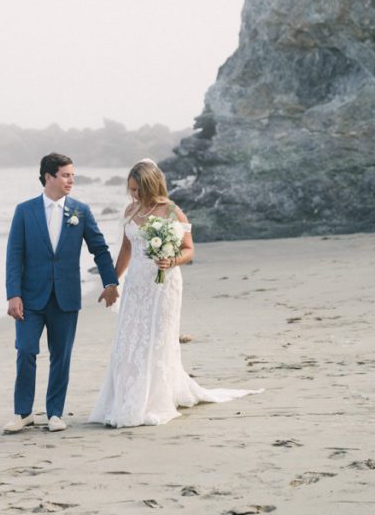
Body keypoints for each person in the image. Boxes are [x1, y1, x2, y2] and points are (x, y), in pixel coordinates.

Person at [88, 159, 261, 427]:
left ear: (151, 185)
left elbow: (189, 248)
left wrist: (171, 261)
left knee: (156, 339)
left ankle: (152, 400)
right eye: (131, 190)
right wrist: (112, 283)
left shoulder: (172, 212)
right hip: (136, 284)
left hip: (163, 284)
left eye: (138, 190)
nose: (134, 195)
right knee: (129, 339)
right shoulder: (131, 210)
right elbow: (126, 249)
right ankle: (124, 397)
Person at [4, 152, 120, 433]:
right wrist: (13, 294)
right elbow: (14, 255)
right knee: (26, 351)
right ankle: (23, 413)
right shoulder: (24, 211)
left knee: (61, 355)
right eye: (66, 175)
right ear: (49, 177)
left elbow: (100, 249)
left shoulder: (80, 211)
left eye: (72, 176)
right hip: (30, 298)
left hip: (66, 296)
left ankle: (55, 413)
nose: (71, 180)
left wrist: (110, 283)